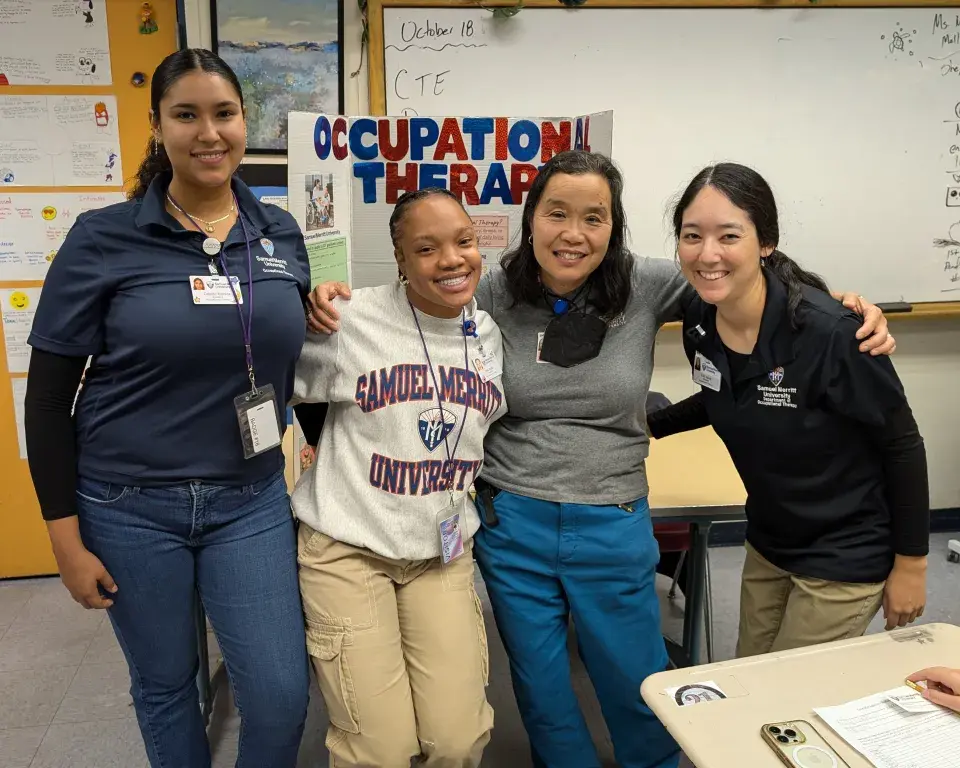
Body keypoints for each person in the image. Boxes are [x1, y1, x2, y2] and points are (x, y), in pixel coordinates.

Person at [305, 150, 894, 768]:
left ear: (614, 227)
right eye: (557, 213)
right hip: (511, 518)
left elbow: (737, 273)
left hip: (611, 514)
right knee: (541, 686)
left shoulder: (646, 284)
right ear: (531, 219)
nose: (573, 233)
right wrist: (321, 300)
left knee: (636, 679)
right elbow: (403, 309)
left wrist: (837, 305)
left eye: (595, 217)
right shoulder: (489, 288)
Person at [23, 48, 312, 768]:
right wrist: (63, 539)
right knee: (165, 685)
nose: (208, 133)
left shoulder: (279, 234)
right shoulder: (102, 238)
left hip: (248, 499)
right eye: (186, 115)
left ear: (247, 122)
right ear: (158, 127)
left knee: (279, 692)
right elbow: (50, 396)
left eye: (223, 113)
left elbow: (304, 355)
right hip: (126, 503)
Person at [647, 162, 929, 658]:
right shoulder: (700, 318)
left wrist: (912, 565)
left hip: (845, 550)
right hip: (770, 540)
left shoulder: (833, 334)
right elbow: (729, 395)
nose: (707, 254)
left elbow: (903, 446)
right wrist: (644, 425)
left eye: (728, 235)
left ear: (765, 242)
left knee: (789, 699)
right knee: (750, 675)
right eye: (692, 235)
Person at [291, 187, 505, 767]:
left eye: (463, 241)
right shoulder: (349, 320)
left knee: (458, 740)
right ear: (400, 258)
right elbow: (266, 371)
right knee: (379, 751)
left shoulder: (487, 335)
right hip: (348, 548)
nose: (452, 259)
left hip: (440, 551)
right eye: (427, 248)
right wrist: (302, 303)